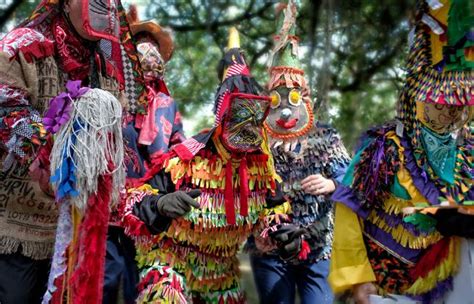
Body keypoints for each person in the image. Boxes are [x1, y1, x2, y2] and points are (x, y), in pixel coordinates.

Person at [121, 27, 284, 303]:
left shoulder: (263, 169)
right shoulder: (187, 158)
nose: (244, 128)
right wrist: (160, 205)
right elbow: (133, 204)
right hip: (172, 261)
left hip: (221, 272)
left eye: (252, 117)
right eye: (237, 116)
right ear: (222, 117)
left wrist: (283, 234)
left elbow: (272, 214)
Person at [0, 0, 146, 303]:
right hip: (17, 226)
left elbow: (113, 142)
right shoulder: (20, 47)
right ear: (66, 3)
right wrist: (47, 153)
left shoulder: (107, 69)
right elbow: (5, 108)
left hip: (76, 230)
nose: (104, 8)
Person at [329, 0, 473, 303]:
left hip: (438, 287)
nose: (452, 113)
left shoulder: (467, 153)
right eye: (441, 101)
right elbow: (348, 210)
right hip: (379, 290)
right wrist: (359, 279)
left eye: (462, 103)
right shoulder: (383, 147)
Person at [246, 1, 350, 303]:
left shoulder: (327, 136)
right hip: (270, 251)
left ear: (306, 99)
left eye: (293, 98)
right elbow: (242, 190)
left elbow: (351, 182)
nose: (286, 110)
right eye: (277, 100)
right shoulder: (256, 141)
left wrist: (331, 185)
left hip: (317, 249)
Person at [103, 6, 185, 304]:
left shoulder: (166, 103)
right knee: (108, 279)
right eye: (142, 49)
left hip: (149, 206)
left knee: (144, 280)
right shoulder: (112, 98)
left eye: (155, 52)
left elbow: (177, 146)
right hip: (110, 205)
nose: (150, 57)